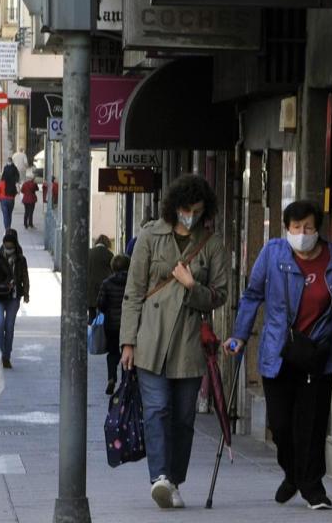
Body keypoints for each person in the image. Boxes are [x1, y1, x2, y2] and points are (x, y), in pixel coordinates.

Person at [226, 200, 332, 510]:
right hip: (280, 351)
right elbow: (252, 295)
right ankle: (292, 473)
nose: (302, 234)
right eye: (296, 228)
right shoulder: (273, 254)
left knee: (313, 424)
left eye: (308, 227)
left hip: (318, 353)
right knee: (281, 425)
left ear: (320, 229)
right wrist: (239, 335)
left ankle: (312, 486)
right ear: (286, 229)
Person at [120, 174, 228, 509]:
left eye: (196, 210)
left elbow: (220, 295)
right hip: (150, 339)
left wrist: (190, 284)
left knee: (183, 418)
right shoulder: (151, 236)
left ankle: (175, 480)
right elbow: (134, 292)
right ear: (173, 207)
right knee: (157, 410)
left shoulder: (212, 244)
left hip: (189, 343)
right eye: (185, 209)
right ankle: (161, 477)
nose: (190, 216)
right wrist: (127, 341)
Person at [0, 229, 29, 369]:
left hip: (13, 297)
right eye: (6, 244)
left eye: (10, 245)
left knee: (9, 327)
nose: (8, 247)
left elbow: (25, 276)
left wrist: (26, 293)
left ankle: (6, 357)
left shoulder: (21, 259)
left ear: (15, 244)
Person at [96, 255, 130, 395]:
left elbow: (101, 304)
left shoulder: (107, 283)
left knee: (113, 353)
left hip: (112, 325)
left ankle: (111, 378)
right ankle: (125, 381)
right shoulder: (132, 282)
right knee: (128, 352)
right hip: (129, 324)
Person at [88, 234, 114, 321]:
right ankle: (100, 333)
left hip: (90, 289)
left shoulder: (89, 252)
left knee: (92, 315)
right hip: (104, 289)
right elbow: (113, 271)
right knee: (103, 316)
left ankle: (92, 332)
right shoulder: (109, 254)